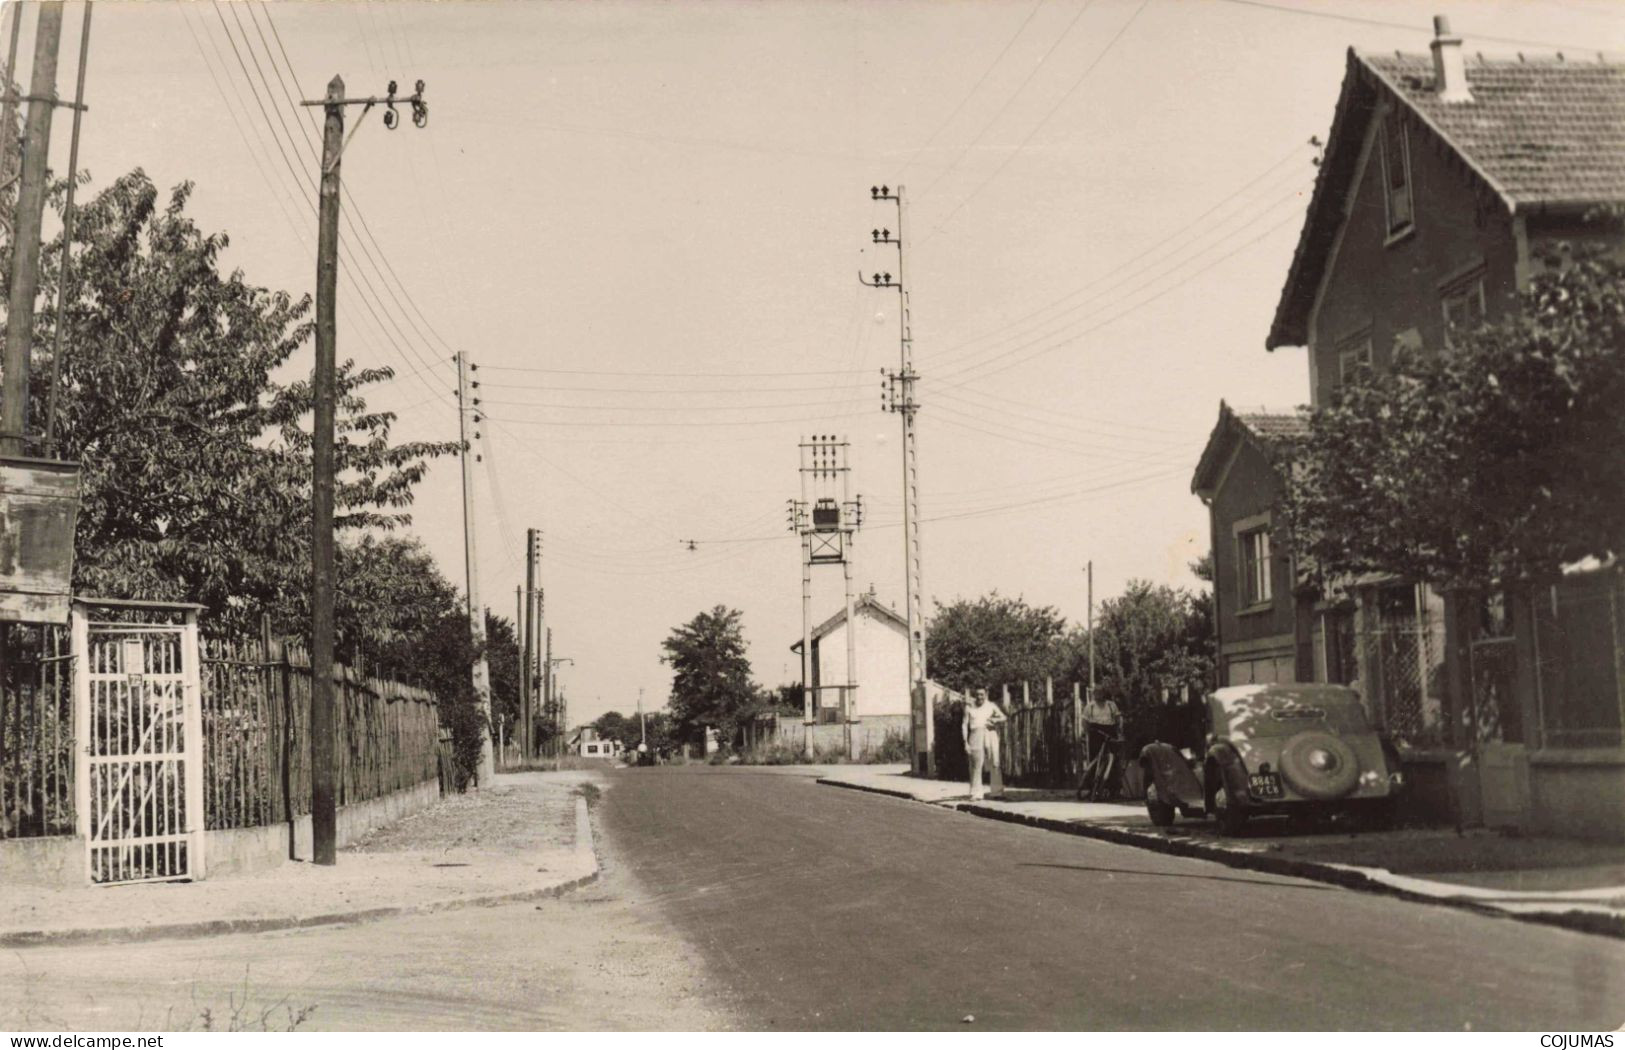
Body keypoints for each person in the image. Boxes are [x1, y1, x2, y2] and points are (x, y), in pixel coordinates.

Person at [962, 688, 1007, 801]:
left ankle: (997, 792)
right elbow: (964, 725)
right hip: (975, 734)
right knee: (976, 765)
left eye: (982, 694)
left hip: (990, 733)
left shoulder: (991, 706)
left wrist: (994, 720)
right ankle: (976, 793)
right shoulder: (969, 707)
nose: (979, 697)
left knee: (994, 761)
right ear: (974, 695)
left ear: (986, 695)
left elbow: (1004, 717)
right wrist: (965, 742)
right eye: (977, 695)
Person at [1081, 691, 1124, 796]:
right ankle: (1093, 788)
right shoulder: (1090, 706)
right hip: (1096, 732)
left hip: (1110, 730)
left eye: (1101, 693)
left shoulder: (1111, 705)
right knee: (1095, 758)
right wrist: (1088, 732)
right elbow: (1085, 721)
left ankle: (1112, 788)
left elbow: (1118, 718)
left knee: (1113, 759)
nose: (1099, 695)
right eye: (1097, 693)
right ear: (1094, 694)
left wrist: (1119, 731)